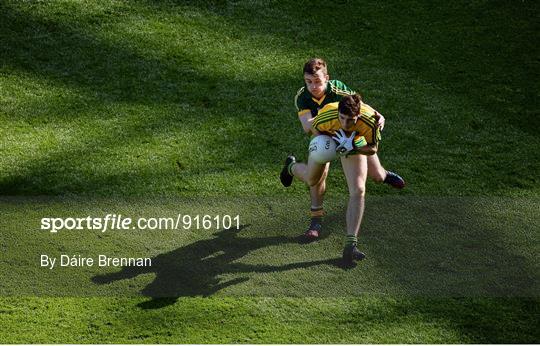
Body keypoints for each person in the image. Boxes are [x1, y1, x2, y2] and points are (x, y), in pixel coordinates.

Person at [288, 58, 404, 241]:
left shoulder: (338, 89)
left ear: (327, 78)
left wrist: (377, 114)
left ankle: (384, 175)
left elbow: (357, 106)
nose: (313, 86)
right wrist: (329, 117)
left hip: (350, 134)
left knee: (377, 176)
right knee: (315, 178)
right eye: (308, 82)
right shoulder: (302, 97)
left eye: (317, 81)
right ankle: (315, 219)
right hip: (322, 133)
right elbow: (307, 127)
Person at [281, 94, 381, 265]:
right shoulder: (328, 114)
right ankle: (290, 167)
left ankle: (351, 244)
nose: (345, 123)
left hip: (354, 145)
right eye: (342, 118)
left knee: (358, 190)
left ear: (359, 116)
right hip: (327, 139)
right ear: (338, 114)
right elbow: (315, 129)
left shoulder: (370, 121)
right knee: (312, 180)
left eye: (351, 120)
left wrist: (353, 145)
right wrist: (330, 144)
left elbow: (372, 148)